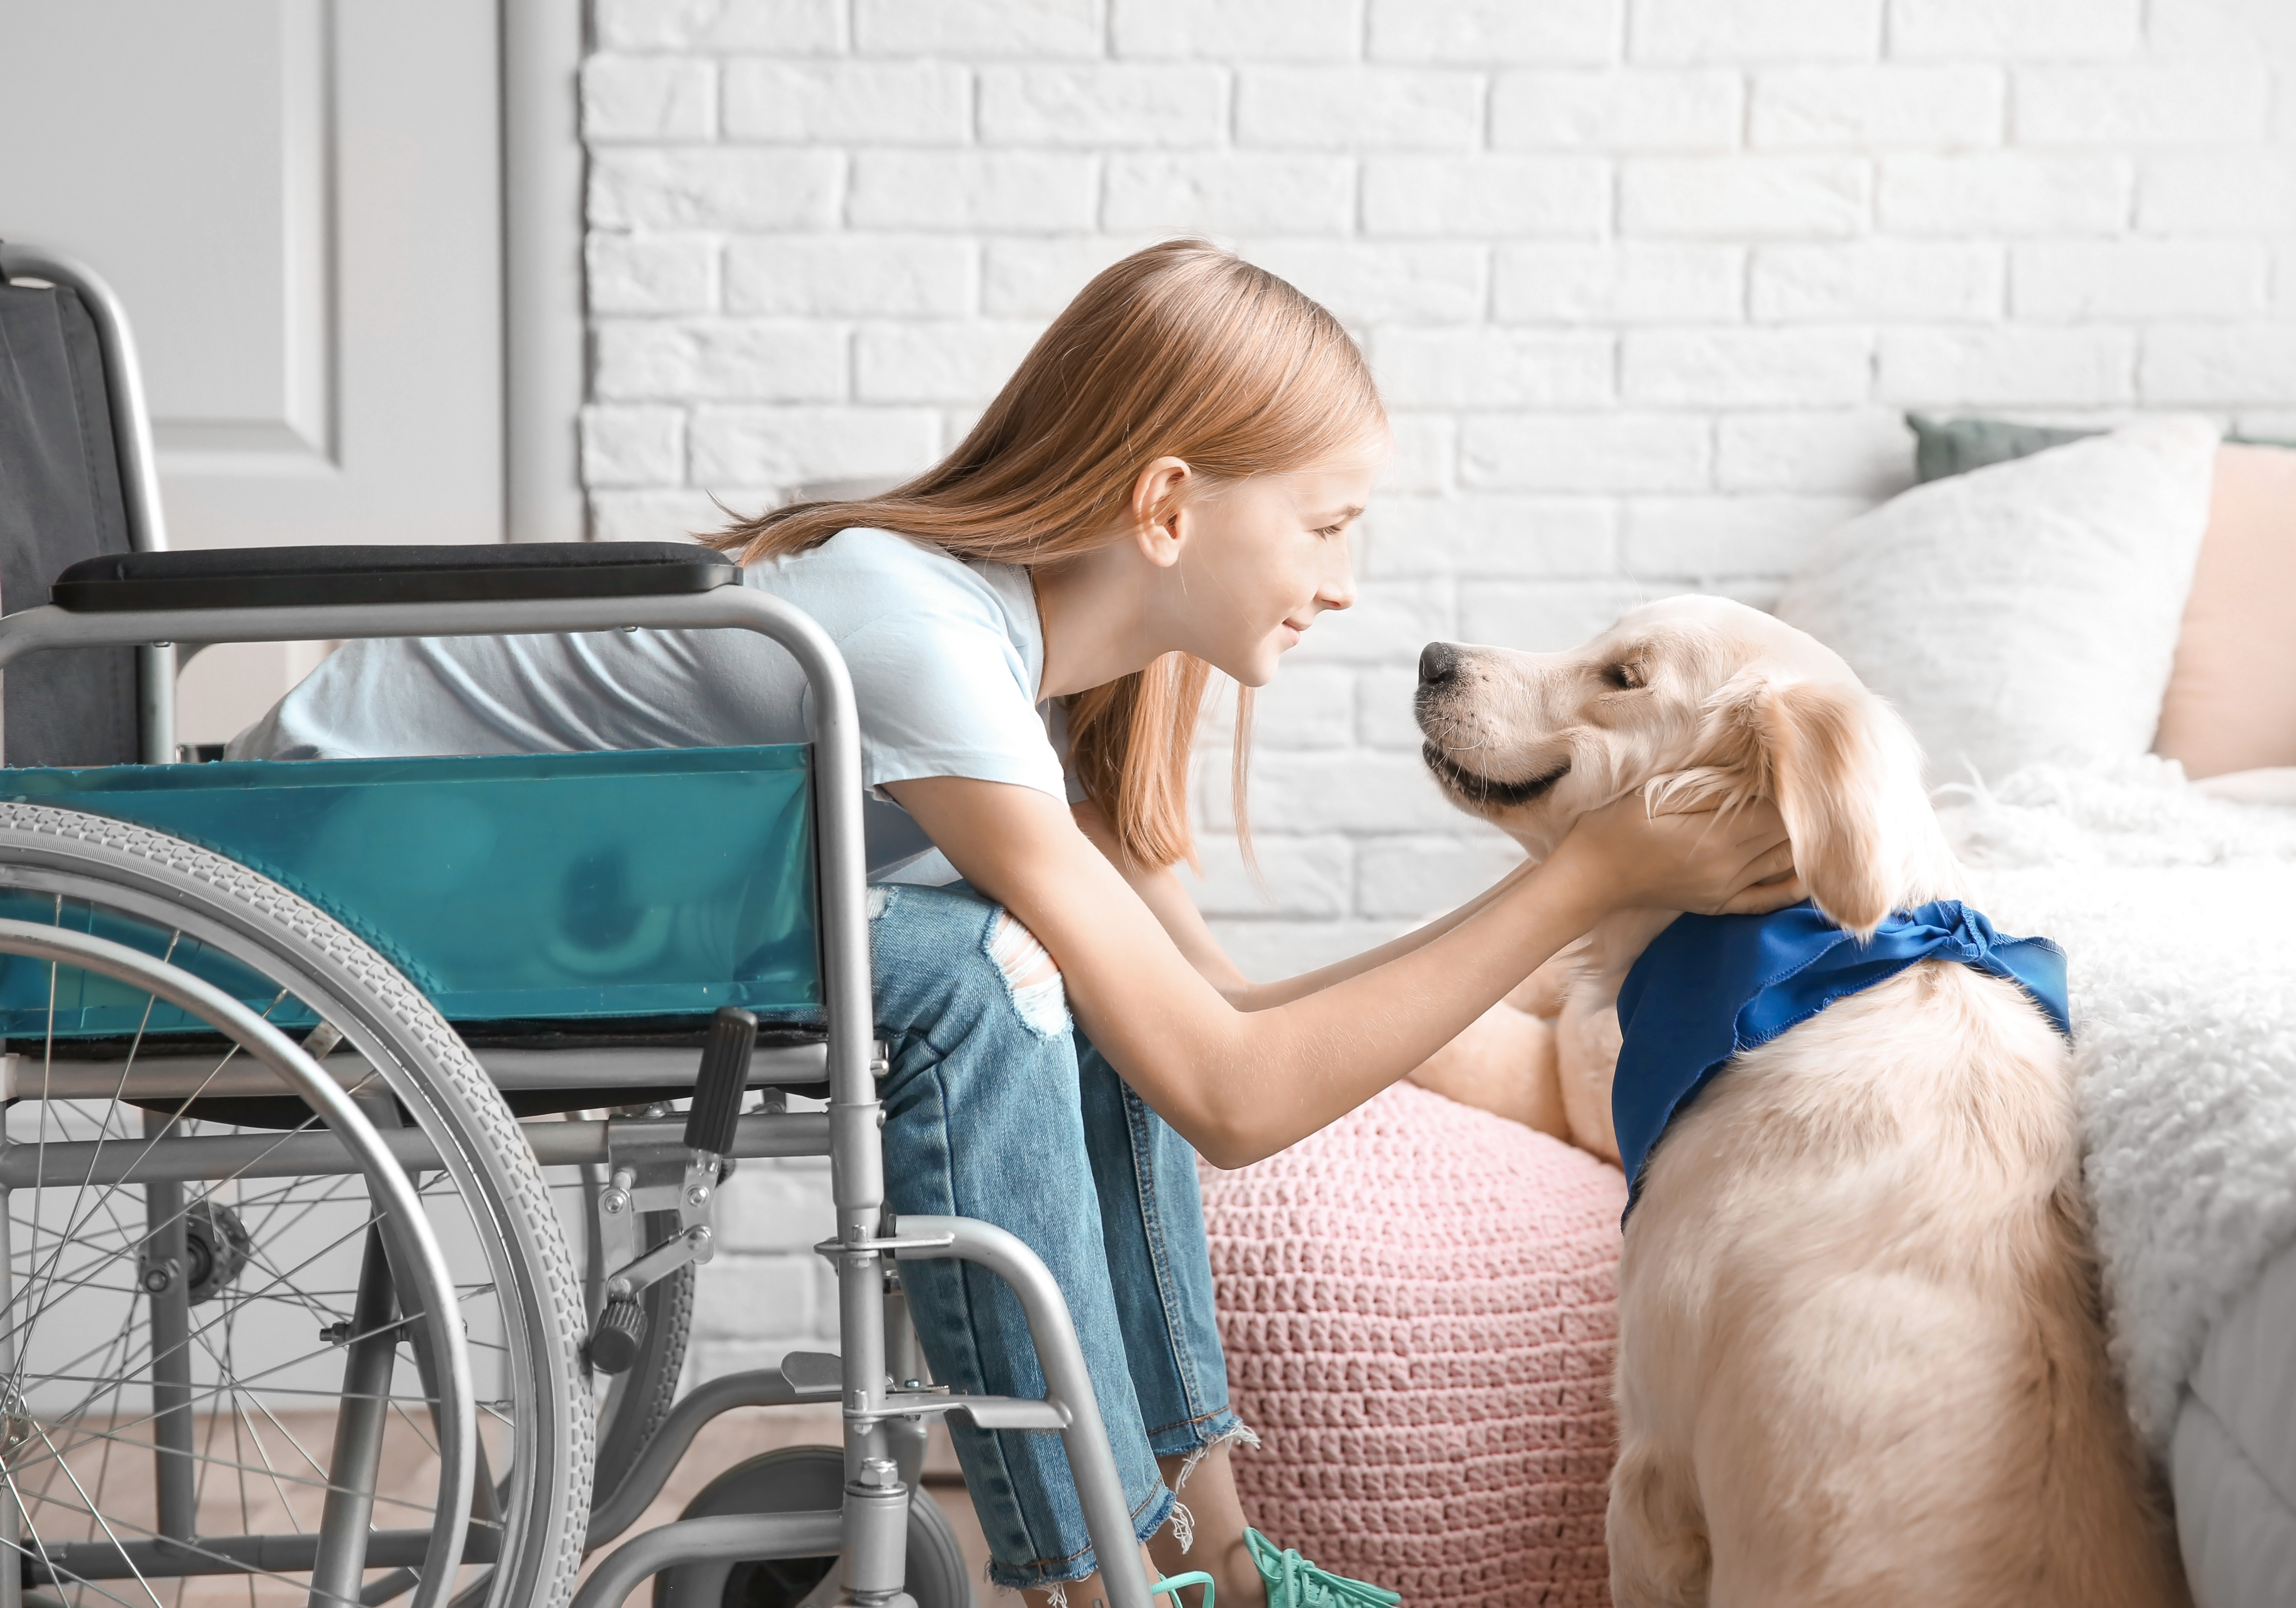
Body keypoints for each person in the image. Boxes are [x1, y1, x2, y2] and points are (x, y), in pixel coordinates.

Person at [232, 240, 1798, 1608]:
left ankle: (1211, 1563)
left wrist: (1560, 911)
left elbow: (1213, 1022)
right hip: (330, 882)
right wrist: (1580, 881)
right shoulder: (918, 639)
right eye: (1327, 525)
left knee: (1078, 996)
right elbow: (1236, 1101)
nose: (1344, 582)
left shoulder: (1050, 664)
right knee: (985, 969)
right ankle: (1094, 1575)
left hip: (541, 890)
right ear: (1170, 507)